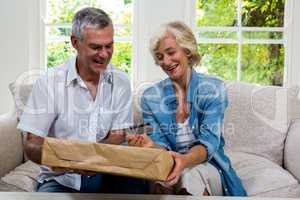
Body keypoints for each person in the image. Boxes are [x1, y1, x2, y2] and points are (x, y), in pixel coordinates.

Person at [17, 7, 147, 193]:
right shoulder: (49, 82)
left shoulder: (121, 81)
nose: (104, 54)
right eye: (95, 47)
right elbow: (32, 144)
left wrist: (91, 157)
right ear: (75, 42)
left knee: (137, 187)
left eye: (109, 45)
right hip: (61, 179)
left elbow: (118, 134)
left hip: (108, 172)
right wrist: (62, 158)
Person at [127, 21, 247, 196]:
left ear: (187, 50)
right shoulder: (150, 97)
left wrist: (184, 160)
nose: (166, 62)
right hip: (169, 164)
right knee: (160, 176)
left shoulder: (212, 90)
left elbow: (209, 143)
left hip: (206, 166)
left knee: (191, 176)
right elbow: (162, 146)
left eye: (171, 52)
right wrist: (151, 145)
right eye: (160, 57)